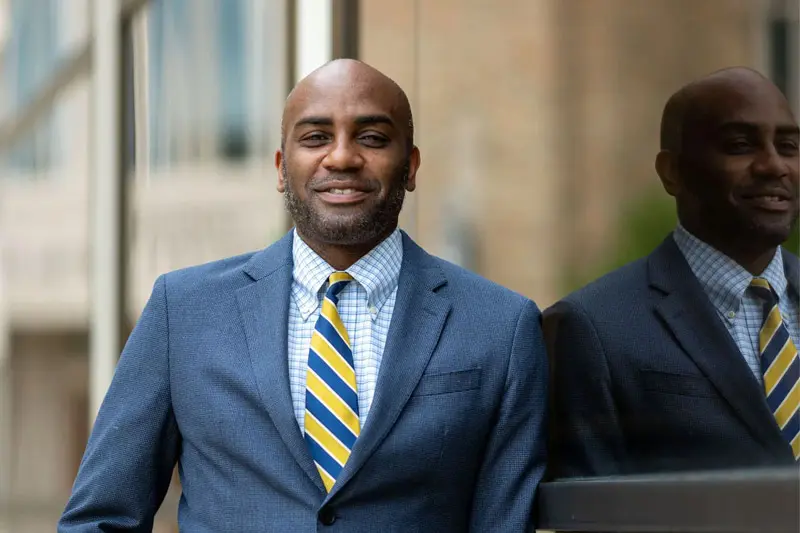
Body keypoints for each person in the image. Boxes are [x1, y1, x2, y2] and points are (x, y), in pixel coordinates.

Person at [59, 59, 548, 532]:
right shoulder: (183, 311)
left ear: (412, 166)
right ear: (280, 167)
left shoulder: (502, 326)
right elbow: (101, 518)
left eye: (372, 138)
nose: (341, 157)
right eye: (315, 137)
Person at [544, 67, 799, 478]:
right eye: (739, 145)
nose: (774, 165)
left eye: (788, 146)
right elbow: (591, 513)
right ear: (672, 172)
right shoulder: (592, 327)